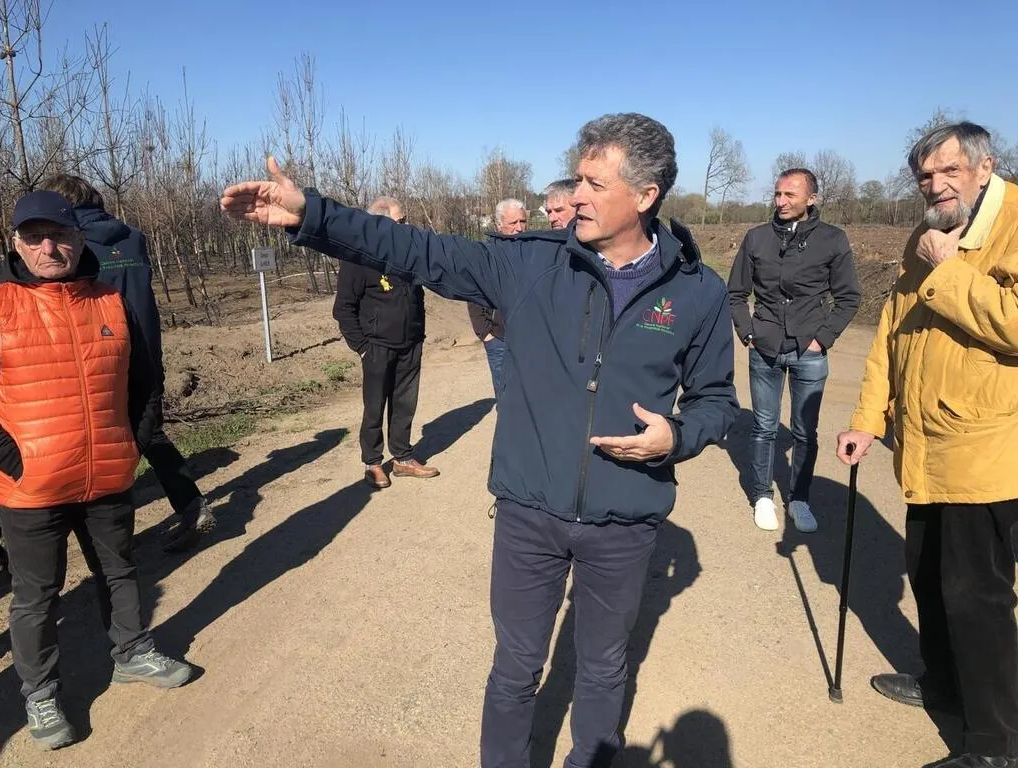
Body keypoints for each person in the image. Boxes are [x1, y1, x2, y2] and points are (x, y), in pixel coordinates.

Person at [222, 112, 738, 768]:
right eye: (577, 179)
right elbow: (415, 250)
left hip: (625, 522)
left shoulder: (697, 291)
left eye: (594, 184)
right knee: (516, 668)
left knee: (604, 667)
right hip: (528, 515)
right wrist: (311, 214)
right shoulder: (529, 263)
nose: (575, 196)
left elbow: (717, 400)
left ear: (645, 196)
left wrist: (678, 436)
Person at [837, 121, 1018, 768]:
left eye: (949, 171)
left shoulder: (1011, 225)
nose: (935, 185)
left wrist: (950, 269)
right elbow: (893, 331)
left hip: (986, 451)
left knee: (978, 600)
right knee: (930, 581)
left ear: (984, 167)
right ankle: (943, 685)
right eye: (924, 176)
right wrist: (867, 419)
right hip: (924, 447)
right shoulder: (927, 232)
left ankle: (995, 745)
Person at [0, 191, 192, 751]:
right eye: (34, 238)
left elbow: (144, 380)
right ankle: (40, 692)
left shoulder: (109, 299)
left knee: (120, 569)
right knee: (36, 594)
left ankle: (132, 651)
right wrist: (13, 459)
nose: (48, 248)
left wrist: (133, 441)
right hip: (30, 486)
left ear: (79, 238)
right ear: (16, 244)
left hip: (106, 471)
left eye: (58, 235)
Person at [42, 174, 217, 553]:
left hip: (100, 354)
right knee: (149, 432)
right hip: (147, 349)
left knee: (92, 442)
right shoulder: (133, 238)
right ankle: (191, 506)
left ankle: (95, 540)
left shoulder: (72, 246)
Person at [727, 168, 860, 532]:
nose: (781, 201)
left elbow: (849, 297)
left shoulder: (833, 239)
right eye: (778, 194)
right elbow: (736, 293)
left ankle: (799, 498)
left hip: (809, 351)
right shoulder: (756, 238)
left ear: (811, 199)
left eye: (790, 195)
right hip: (764, 347)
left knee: (804, 433)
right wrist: (748, 333)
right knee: (763, 427)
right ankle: (762, 496)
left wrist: (822, 338)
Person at [333, 197, 439, 489]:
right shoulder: (358, 257)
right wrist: (362, 347)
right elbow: (343, 308)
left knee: (405, 403)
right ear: (380, 222)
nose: (406, 224)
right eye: (400, 220)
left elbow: (417, 295)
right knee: (374, 405)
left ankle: (403, 457)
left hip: (410, 342)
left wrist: (418, 332)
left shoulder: (407, 252)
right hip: (376, 345)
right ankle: (373, 462)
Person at [467, 198, 529, 401]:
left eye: (522, 221)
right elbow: (473, 296)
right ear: (499, 225)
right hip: (499, 339)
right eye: (513, 223)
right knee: (506, 397)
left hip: (529, 339)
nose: (519, 228)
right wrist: (486, 334)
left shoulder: (533, 254)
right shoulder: (487, 256)